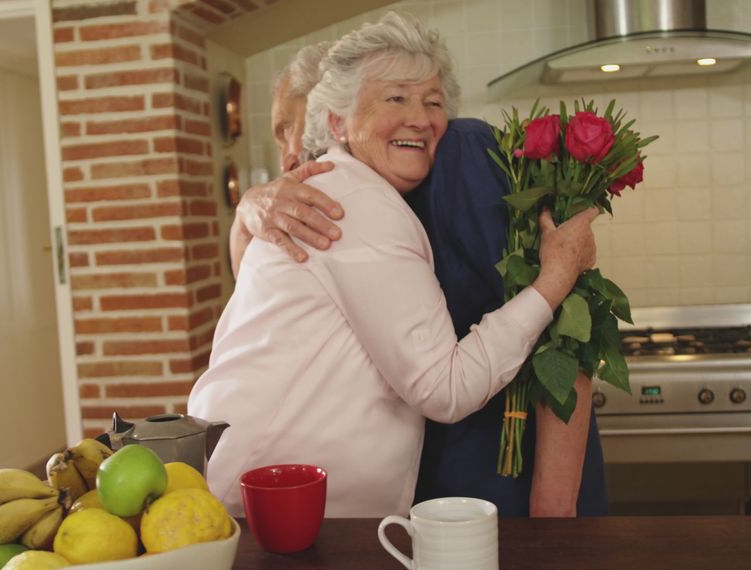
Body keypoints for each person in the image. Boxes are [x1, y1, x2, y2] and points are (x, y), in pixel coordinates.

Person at [189, 12, 598, 518]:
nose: (421, 118)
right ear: (336, 122)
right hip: (280, 507)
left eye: (432, 102)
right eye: (395, 98)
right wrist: (556, 278)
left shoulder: (430, 167)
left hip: (275, 497)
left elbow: (569, 336)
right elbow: (445, 388)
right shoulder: (352, 198)